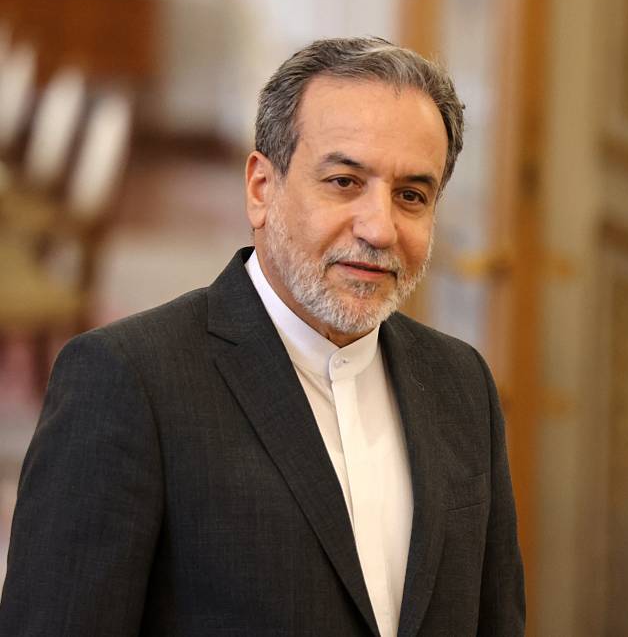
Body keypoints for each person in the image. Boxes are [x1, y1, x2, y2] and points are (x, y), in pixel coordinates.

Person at [0, 37, 525, 636]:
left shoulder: (462, 385)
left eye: (411, 195)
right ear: (260, 188)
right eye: (344, 182)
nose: (380, 228)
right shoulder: (126, 383)